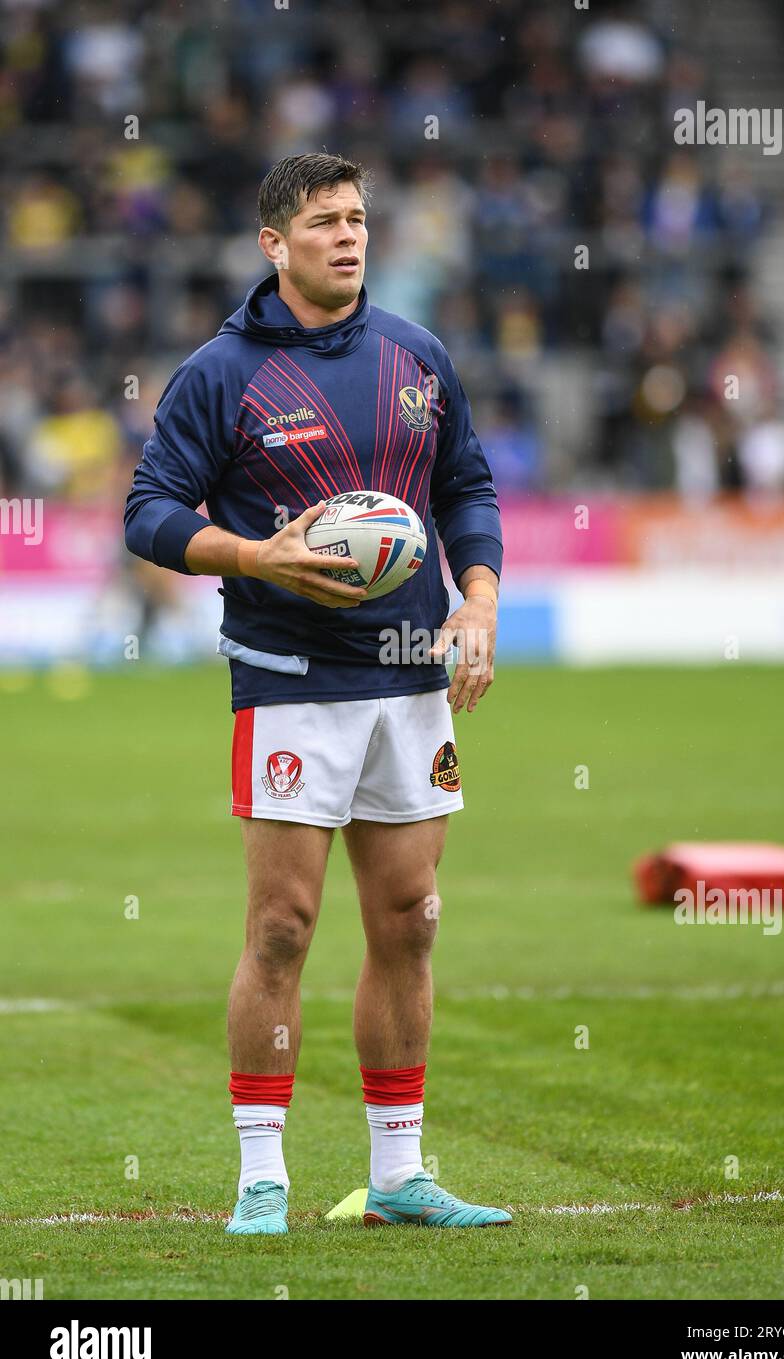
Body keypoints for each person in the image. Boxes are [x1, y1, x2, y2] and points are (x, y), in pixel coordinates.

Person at [124, 152, 510, 1232]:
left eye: (358, 220)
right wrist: (254, 559)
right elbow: (148, 511)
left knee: (410, 919)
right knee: (283, 929)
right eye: (326, 222)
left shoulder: (416, 355)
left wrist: (474, 601)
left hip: (406, 683)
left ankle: (395, 1176)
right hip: (290, 686)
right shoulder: (221, 372)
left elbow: (465, 486)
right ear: (273, 243)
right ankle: (261, 1177)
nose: (349, 237)